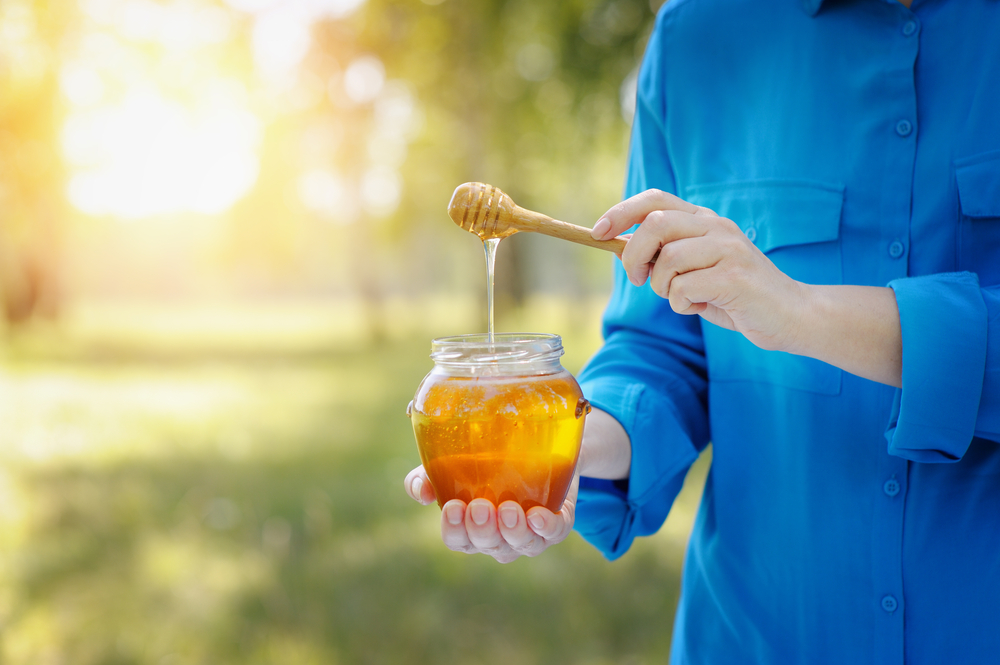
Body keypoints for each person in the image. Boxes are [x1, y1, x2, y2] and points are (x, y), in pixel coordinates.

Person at [406, 0, 1000, 662]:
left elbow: (778, 307)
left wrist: (800, 312)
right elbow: (661, 346)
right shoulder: (696, 35)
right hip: (753, 636)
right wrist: (572, 449)